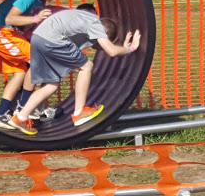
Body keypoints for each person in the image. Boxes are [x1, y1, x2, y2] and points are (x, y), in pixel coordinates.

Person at [8, 8, 141, 135]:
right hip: (53, 38)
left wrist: (122, 49)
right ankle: (79, 112)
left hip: (38, 38)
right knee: (87, 66)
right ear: (105, 32)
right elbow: (111, 51)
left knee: (51, 85)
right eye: (101, 42)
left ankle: (21, 117)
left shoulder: (82, 23)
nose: (97, 47)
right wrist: (131, 49)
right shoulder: (96, 24)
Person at [0, 0, 66, 129]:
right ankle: (23, 108)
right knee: (37, 60)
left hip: (9, 33)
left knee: (20, 74)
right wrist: (36, 18)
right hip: (2, 31)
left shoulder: (40, 1)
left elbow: (26, 23)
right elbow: (10, 18)